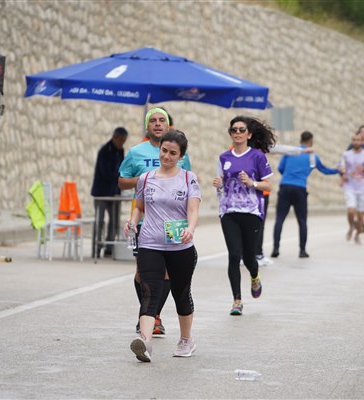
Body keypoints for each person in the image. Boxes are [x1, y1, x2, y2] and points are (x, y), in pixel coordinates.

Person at [126, 130, 201, 362]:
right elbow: (139, 207)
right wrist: (133, 221)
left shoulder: (188, 178)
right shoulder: (145, 178)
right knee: (149, 292)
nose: (166, 156)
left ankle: (186, 340)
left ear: (181, 156)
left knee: (181, 293)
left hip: (180, 247)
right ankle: (145, 343)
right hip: (150, 243)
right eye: (164, 150)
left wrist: (190, 228)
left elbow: (193, 210)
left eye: (172, 153)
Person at [119, 108, 192, 336]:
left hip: (173, 222)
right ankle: (148, 312)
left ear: (168, 124)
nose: (158, 124)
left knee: (167, 273)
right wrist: (147, 180)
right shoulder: (136, 152)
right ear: (147, 125)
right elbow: (122, 181)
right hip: (145, 219)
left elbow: (188, 184)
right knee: (142, 273)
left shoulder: (180, 152)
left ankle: (154, 316)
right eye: (153, 120)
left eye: (162, 120)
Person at [212, 116, 274, 316]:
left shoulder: (257, 156)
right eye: (234, 130)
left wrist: (252, 183)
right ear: (230, 133)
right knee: (234, 255)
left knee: (249, 259)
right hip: (229, 211)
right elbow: (221, 184)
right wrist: (218, 184)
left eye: (241, 130)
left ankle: (255, 276)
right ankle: (237, 301)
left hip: (251, 212)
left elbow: (268, 185)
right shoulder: (224, 158)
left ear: (249, 134)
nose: (237, 133)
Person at [271, 131, 339, 258]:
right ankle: (302, 251)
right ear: (311, 141)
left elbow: (280, 168)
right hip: (300, 188)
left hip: (285, 186)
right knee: (302, 221)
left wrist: (289, 176)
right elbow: (324, 170)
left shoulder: (290, 152)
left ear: (300, 140)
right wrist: (338, 170)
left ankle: (275, 248)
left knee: (279, 219)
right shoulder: (312, 156)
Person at [91, 127, 128, 257]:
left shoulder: (120, 151)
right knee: (99, 221)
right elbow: (105, 172)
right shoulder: (104, 151)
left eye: (124, 141)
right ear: (114, 137)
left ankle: (109, 247)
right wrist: (119, 178)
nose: (121, 143)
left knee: (114, 221)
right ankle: (96, 247)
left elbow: (122, 167)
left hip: (115, 193)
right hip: (102, 193)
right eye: (120, 140)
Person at [340, 132, 364, 244]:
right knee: (351, 210)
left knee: (361, 215)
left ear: (362, 141)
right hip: (349, 186)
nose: (356, 142)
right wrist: (343, 174)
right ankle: (351, 226)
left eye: (358, 140)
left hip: (362, 188)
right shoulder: (346, 154)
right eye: (354, 140)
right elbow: (341, 167)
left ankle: (357, 235)